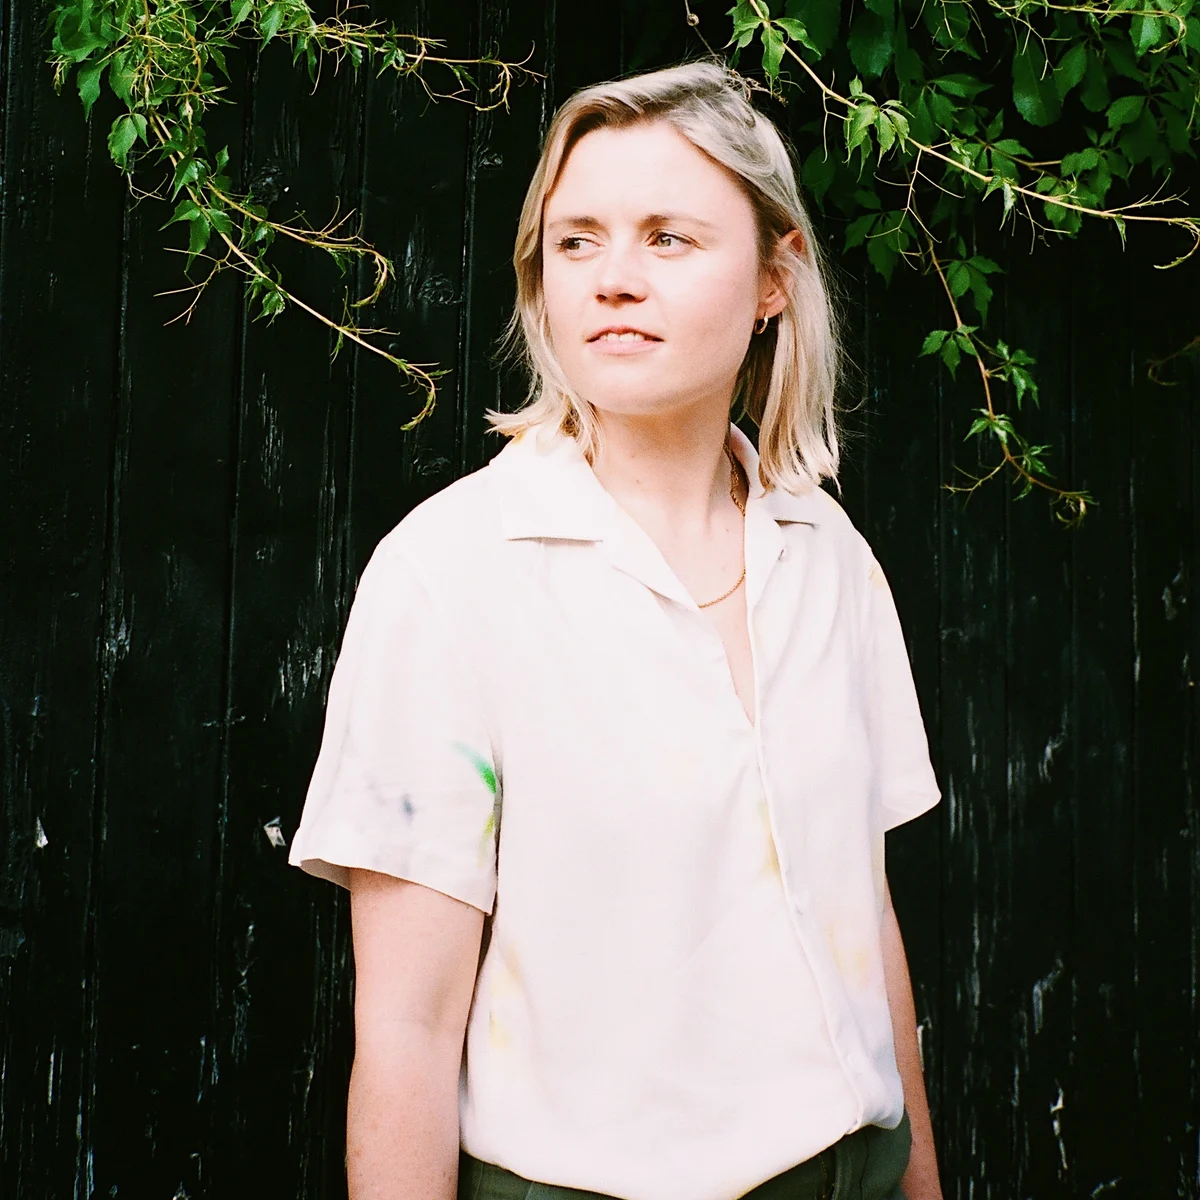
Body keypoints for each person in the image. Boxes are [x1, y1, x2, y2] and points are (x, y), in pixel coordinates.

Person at [288, 59, 944, 1200]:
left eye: (668, 239)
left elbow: (864, 917)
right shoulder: (452, 574)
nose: (613, 281)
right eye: (577, 241)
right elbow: (405, 1026)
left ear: (774, 278)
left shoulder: (827, 554)